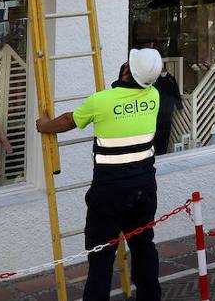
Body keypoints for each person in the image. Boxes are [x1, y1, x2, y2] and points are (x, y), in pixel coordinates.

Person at [36, 48, 164, 301]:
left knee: (101, 256)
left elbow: (67, 121)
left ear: (127, 70)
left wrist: (44, 126)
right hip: (144, 187)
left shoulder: (101, 100)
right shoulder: (154, 96)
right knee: (143, 247)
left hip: (109, 191)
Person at [152, 61, 182, 155]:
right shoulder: (155, 80)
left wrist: (179, 105)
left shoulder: (171, 79)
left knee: (166, 131)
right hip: (157, 110)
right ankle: (157, 150)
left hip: (168, 110)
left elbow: (176, 92)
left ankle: (163, 151)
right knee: (156, 131)